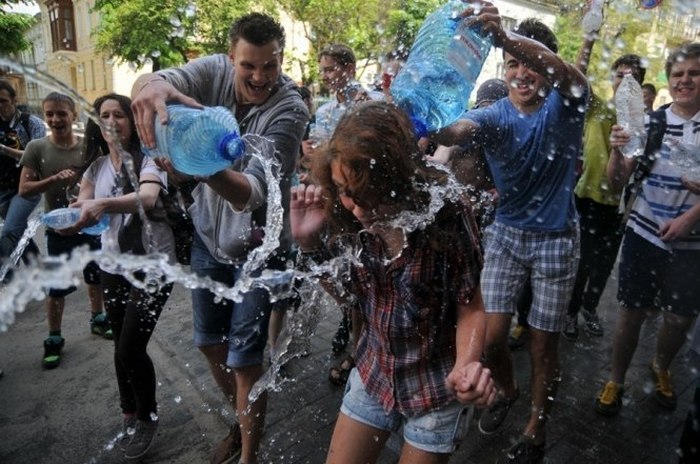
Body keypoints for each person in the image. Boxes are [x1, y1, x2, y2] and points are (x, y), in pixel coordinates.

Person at [130, 12, 309, 464]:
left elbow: (253, 192)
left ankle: (248, 454)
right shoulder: (210, 71)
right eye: (249, 65)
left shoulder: (290, 109)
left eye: (270, 65)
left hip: (260, 249)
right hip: (210, 240)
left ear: (280, 60)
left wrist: (203, 168)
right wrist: (149, 89)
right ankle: (241, 417)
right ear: (231, 58)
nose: (260, 76)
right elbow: (158, 83)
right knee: (210, 343)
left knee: (245, 359)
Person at [291, 101, 495, 464]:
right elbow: (350, 299)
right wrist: (310, 246)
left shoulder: (447, 212)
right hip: (374, 373)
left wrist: (467, 363)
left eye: (371, 198)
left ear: (400, 179)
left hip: (435, 388)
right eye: (343, 190)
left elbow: (471, 306)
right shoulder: (343, 210)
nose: (356, 209)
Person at [435, 7, 588, 462]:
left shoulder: (570, 101)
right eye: (512, 66)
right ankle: (509, 388)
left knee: (543, 344)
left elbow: (564, 73)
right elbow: (459, 129)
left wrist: (504, 37)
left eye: (532, 65)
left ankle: (537, 426)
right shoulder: (496, 114)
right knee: (493, 339)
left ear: (547, 70)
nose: (521, 74)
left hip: (558, 238)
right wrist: (419, 120)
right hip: (506, 235)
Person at [64, 93, 175, 461]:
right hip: (114, 267)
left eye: (120, 115)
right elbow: (82, 207)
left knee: (130, 346)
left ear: (132, 120)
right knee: (119, 347)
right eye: (104, 115)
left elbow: (146, 198)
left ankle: (148, 416)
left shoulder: (150, 159)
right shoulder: (95, 169)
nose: (112, 121)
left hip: (153, 267)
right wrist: (70, 220)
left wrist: (103, 205)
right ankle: (129, 413)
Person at [595, 42, 700, 417]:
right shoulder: (652, 123)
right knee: (631, 312)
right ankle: (617, 379)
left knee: (679, 318)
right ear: (670, 82)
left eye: (693, 73)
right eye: (678, 74)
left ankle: (661, 366)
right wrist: (615, 152)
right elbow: (617, 182)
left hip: (693, 246)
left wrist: (690, 218)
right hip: (644, 233)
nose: (685, 80)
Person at [564, 23, 648, 340]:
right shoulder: (599, 108)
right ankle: (570, 313)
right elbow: (575, 83)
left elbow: (633, 170)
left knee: (603, 264)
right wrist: (590, 33)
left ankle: (590, 309)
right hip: (586, 198)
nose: (624, 83)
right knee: (583, 261)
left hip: (617, 208)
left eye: (632, 78)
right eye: (619, 76)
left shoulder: (640, 121)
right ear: (612, 80)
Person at [305, 43, 383, 382]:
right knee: (324, 270)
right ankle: (354, 319)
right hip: (326, 202)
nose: (325, 76)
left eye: (331, 69)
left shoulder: (369, 103)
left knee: (359, 273)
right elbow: (313, 156)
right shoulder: (323, 112)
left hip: (356, 207)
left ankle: (358, 350)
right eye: (322, 70)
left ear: (349, 68)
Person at [18, 92, 108, 370]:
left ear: (73, 115)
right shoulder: (36, 147)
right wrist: (53, 179)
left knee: (95, 275)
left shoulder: (87, 147)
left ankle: (98, 319)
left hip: (89, 224)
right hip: (57, 229)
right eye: (49, 114)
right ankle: (54, 338)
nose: (55, 119)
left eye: (61, 113)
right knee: (56, 287)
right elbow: (24, 189)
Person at [0, 79, 45, 269]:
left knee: (10, 231)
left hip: (26, 187)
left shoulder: (31, 122)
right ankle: (41, 271)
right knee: (19, 230)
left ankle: (6, 279)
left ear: (14, 100)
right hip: (3, 189)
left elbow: (39, 154)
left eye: (2, 101)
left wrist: (4, 149)